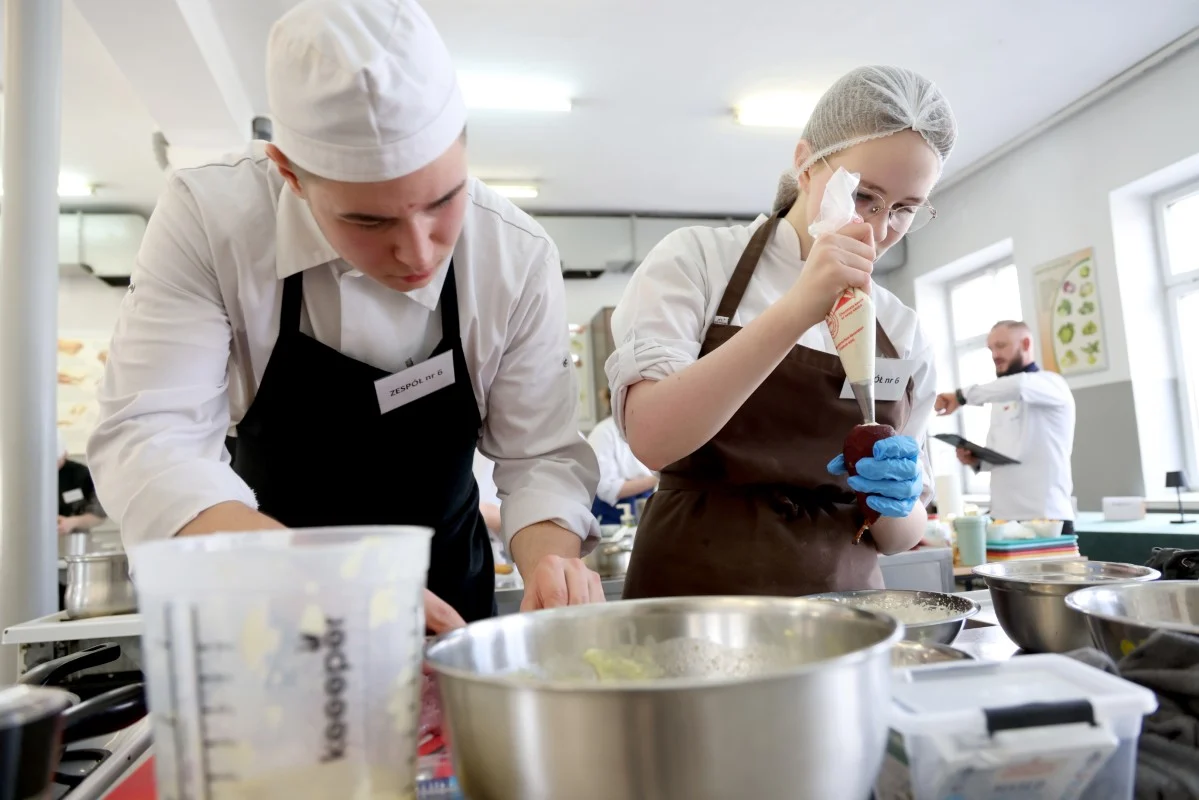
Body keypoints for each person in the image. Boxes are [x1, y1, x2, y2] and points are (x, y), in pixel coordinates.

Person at [87, 0, 602, 635]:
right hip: (267, 602)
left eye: (443, 201)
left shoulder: (514, 254)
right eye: (369, 220)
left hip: (448, 614)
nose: (418, 251)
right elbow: (150, 438)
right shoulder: (213, 220)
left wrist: (553, 564)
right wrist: (319, 577)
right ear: (289, 175)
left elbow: (540, 456)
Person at [607, 66, 955, 599]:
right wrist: (797, 309)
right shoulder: (698, 260)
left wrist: (899, 498)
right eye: (864, 196)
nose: (879, 229)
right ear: (805, 163)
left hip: (844, 607)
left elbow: (897, 538)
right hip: (695, 599)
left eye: (905, 210)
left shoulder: (902, 328)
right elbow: (651, 439)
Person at [935, 320, 1076, 531]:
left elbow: (1019, 385)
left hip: (1047, 518)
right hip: (1003, 520)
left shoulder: (1052, 384)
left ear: (1026, 344)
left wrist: (961, 396)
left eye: (1001, 346)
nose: (994, 355)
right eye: (991, 349)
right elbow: (1003, 455)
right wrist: (977, 461)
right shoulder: (1001, 398)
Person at [587, 391, 657, 524]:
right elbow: (608, 489)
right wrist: (656, 479)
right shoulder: (603, 432)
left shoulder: (647, 428)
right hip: (613, 517)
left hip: (648, 507)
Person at [56, 431, 105, 535]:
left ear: (65, 454)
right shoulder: (21, 478)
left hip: (76, 542)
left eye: (56, 461)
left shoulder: (82, 475)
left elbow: (99, 515)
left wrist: (72, 522)